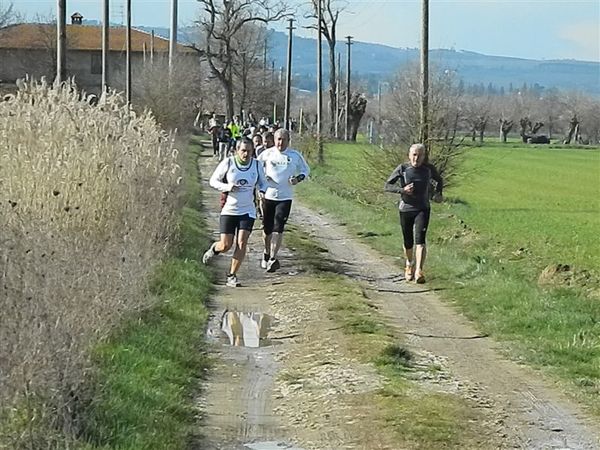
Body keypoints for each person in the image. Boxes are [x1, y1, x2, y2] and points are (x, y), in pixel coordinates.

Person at [203, 137, 267, 287]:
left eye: (249, 151)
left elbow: (263, 182)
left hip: (247, 210)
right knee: (226, 245)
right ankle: (214, 249)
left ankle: (232, 275)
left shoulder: (256, 165)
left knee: (242, 242)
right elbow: (213, 181)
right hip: (230, 209)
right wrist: (227, 187)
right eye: (243, 151)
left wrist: (262, 191)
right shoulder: (229, 162)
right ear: (237, 150)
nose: (246, 154)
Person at [384, 143, 443, 284]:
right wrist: (402, 190)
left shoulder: (429, 169)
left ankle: (419, 271)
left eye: (420, 155)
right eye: (414, 155)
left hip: (422, 208)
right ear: (409, 156)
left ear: (424, 156)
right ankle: (409, 264)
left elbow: (439, 180)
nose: (416, 158)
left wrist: (438, 194)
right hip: (406, 208)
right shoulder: (403, 169)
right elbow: (387, 186)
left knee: (420, 240)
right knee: (408, 242)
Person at [257, 128, 310, 272]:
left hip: (285, 197)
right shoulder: (267, 154)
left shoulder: (294, 155)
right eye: (278, 139)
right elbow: (256, 168)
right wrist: (261, 181)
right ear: (274, 140)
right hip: (268, 196)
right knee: (267, 229)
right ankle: (266, 253)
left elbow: (306, 170)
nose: (280, 143)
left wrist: (298, 179)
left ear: (288, 141)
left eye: (283, 140)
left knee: (278, 226)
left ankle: (273, 258)